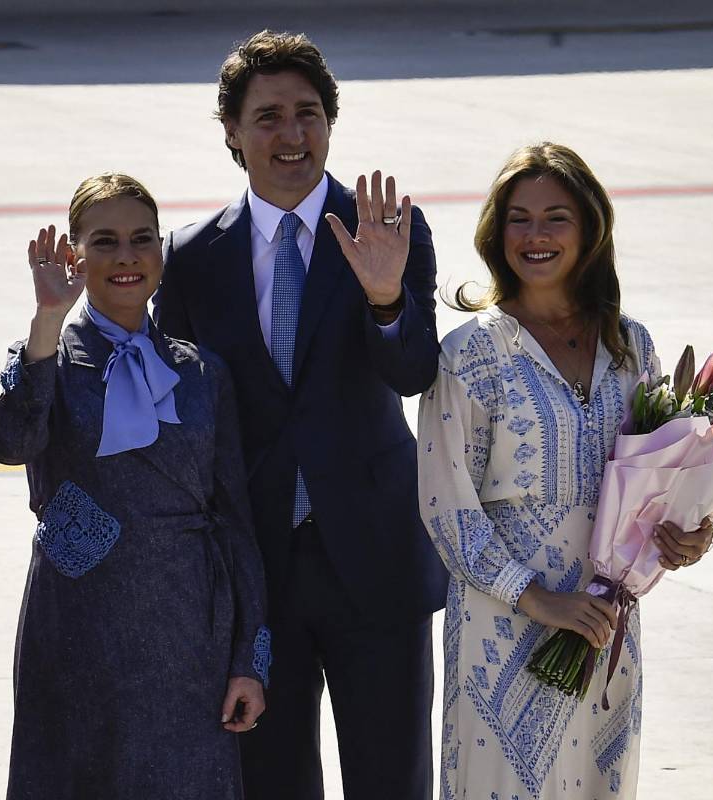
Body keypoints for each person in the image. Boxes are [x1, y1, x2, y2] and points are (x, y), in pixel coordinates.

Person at [154, 30, 446, 800]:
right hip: (256, 577)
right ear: (232, 133)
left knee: (394, 781)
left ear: (331, 123)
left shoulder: (388, 231)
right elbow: (182, 417)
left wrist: (387, 299)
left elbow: (416, 373)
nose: (293, 135)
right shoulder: (189, 258)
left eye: (309, 114)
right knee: (271, 783)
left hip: (374, 564)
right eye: (270, 116)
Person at [416, 141, 713, 799]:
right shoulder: (472, 353)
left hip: (607, 630)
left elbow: (665, 480)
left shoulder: (631, 345)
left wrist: (689, 536)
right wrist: (540, 599)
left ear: (589, 229)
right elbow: (448, 509)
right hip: (505, 635)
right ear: (497, 234)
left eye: (556, 217)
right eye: (518, 218)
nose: (535, 235)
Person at [0, 173, 269, 800]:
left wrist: (251, 657)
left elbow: (237, 518)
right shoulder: (46, 357)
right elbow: (11, 444)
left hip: (190, 622)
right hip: (83, 617)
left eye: (142, 239)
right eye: (105, 241)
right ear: (74, 254)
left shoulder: (201, 371)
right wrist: (47, 322)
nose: (126, 257)